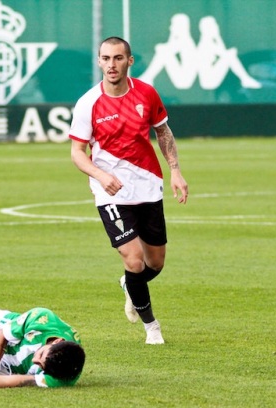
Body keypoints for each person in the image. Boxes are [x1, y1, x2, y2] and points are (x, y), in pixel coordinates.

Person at [69, 36, 189, 345]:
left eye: (118, 58)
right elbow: (77, 153)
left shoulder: (146, 94)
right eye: (106, 59)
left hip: (148, 185)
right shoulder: (88, 103)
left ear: (129, 61)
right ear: (99, 62)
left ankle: (130, 285)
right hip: (110, 191)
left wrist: (175, 170)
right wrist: (99, 175)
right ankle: (152, 327)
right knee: (134, 260)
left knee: (155, 263)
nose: (111, 64)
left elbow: (163, 131)